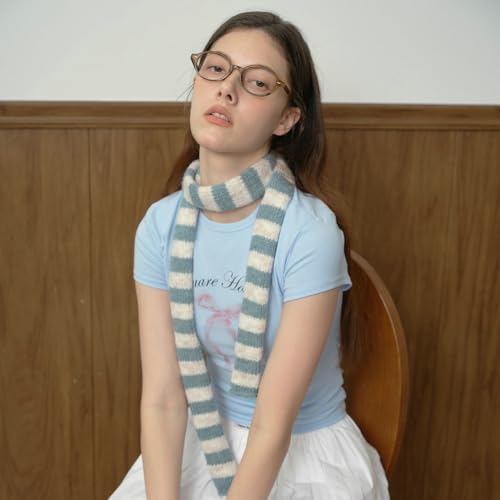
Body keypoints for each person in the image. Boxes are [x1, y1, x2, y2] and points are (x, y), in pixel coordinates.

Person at [110, 10, 389, 500]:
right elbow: (163, 399)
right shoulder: (160, 225)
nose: (226, 89)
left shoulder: (309, 232)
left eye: (257, 82)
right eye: (216, 69)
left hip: (298, 451)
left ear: (287, 119)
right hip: (200, 437)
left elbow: (272, 423)